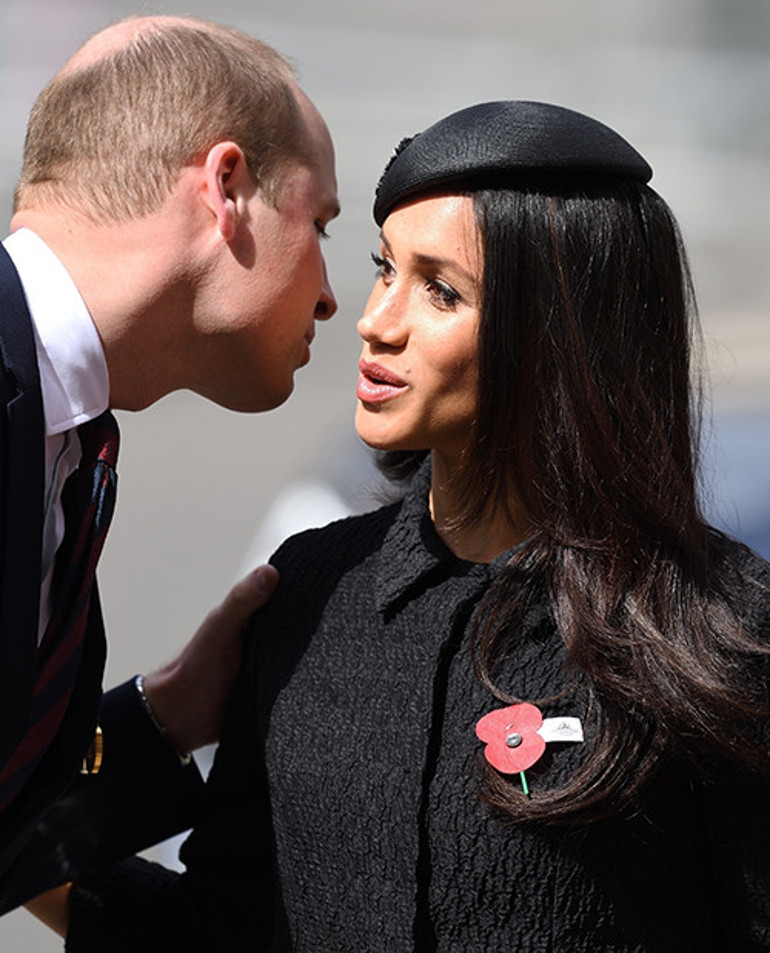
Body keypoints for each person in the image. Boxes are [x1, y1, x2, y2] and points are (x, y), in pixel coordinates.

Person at [32, 101, 770, 950]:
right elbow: (220, 931)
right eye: (386, 268)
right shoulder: (305, 595)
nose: (377, 320)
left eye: (440, 290)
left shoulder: (723, 636)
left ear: (559, 338)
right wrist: (26, 840)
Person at [0, 13, 339, 913]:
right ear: (227, 187)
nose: (336, 297)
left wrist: (167, 716)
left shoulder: (70, 446)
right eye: (324, 225)